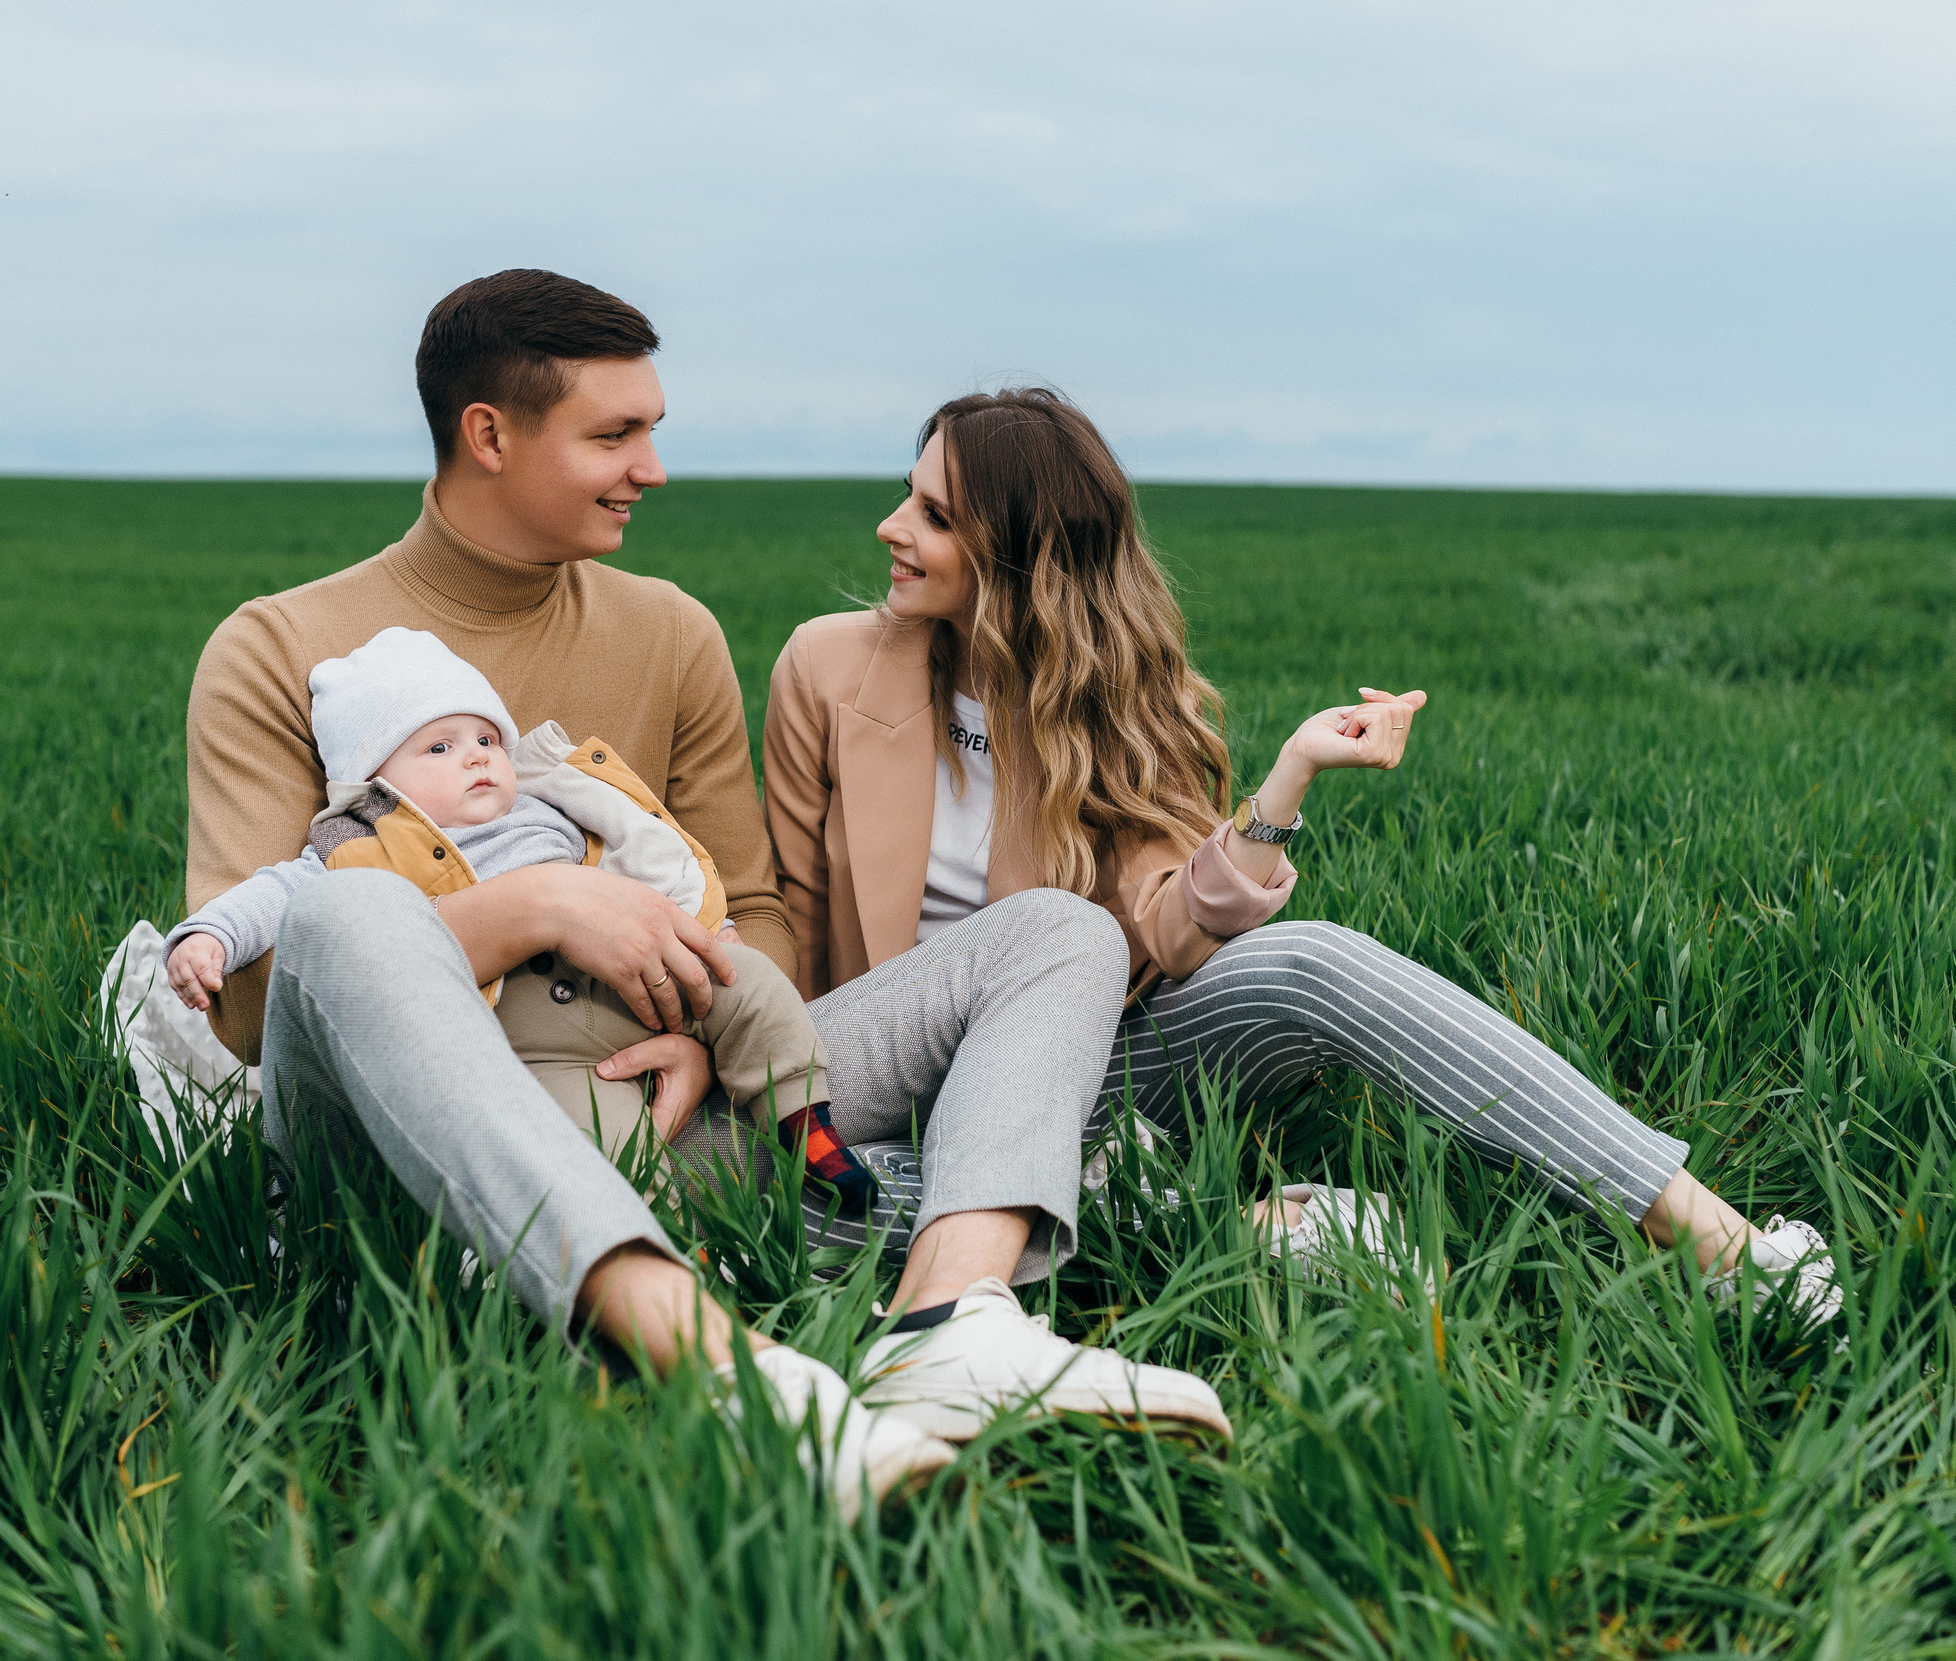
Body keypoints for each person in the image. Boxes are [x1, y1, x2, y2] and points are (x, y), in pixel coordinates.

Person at [181, 275, 1229, 1512]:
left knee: (1060, 931)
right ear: (489, 435)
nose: (654, 469)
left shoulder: (667, 631)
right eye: (615, 435)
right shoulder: (280, 645)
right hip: (404, 1149)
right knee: (347, 909)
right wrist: (540, 910)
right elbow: (253, 1006)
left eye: (651, 429)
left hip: (658, 1098)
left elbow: (755, 905)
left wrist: (699, 1024)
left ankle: (948, 1326)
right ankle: (728, 1374)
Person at [762, 386, 1841, 1329]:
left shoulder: (1124, 698)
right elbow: (793, 905)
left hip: (1080, 1063)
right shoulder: (826, 666)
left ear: (1020, 550)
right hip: (889, 1075)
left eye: (934, 514)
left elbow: (1159, 934)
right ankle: (1246, 1219)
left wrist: (1284, 784)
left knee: (1311, 958)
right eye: (909, 494)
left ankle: (1724, 1247)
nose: (889, 526)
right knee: (764, 1188)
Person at [164, 624, 877, 1204]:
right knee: (595, 1147)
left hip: (643, 983)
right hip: (534, 1044)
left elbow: (640, 860)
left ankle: (804, 1121)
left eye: (485, 739)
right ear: (373, 781)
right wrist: (210, 938)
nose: (475, 758)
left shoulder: (552, 806)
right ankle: (663, 1250)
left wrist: (699, 926)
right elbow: (276, 893)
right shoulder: (356, 846)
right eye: (439, 747)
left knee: (744, 978)